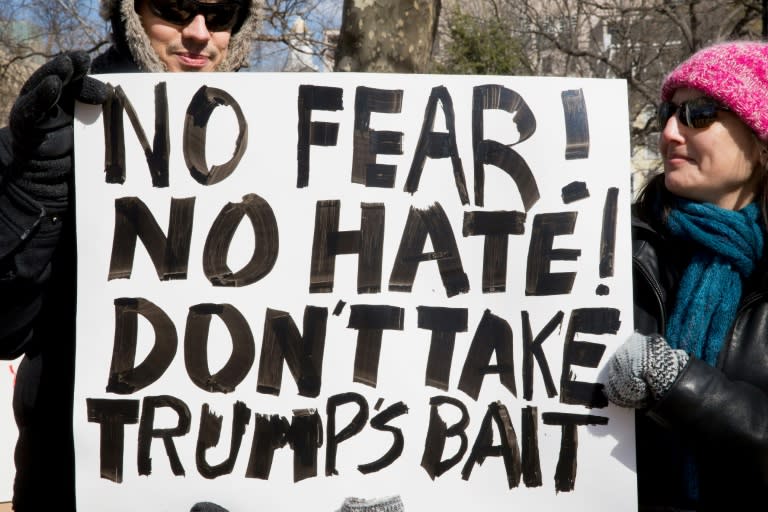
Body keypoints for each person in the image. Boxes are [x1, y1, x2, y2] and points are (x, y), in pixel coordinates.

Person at [0, 0, 259, 510]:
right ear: (129, 13)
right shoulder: (54, 128)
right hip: (75, 481)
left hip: (243, 475)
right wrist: (32, 190)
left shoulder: (291, 147)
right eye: (177, 9)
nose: (199, 34)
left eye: (223, 14)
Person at [604, 41, 768, 510]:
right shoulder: (613, 248)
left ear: (760, 143)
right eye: (668, 113)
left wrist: (677, 382)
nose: (671, 132)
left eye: (698, 114)